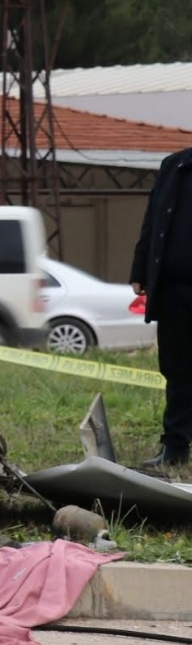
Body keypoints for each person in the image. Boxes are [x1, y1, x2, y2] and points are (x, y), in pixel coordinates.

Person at [130, 145, 192, 468]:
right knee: (177, 369)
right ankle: (175, 448)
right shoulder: (174, 166)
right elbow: (153, 220)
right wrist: (140, 270)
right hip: (173, 291)